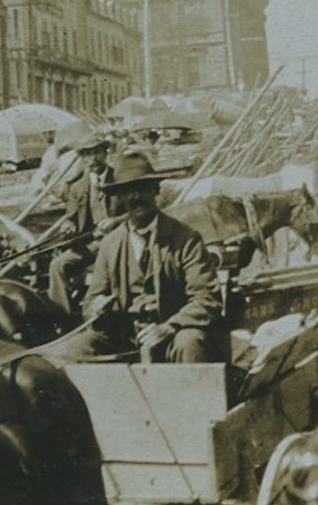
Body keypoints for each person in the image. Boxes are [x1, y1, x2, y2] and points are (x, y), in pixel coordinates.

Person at [83, 149, 226, 364]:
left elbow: (206, 298)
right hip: (126, 339)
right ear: (120, 197)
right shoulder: (110, 244)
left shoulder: (186, 239)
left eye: (142, 189)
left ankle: (191, 397)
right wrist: (96, 307)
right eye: (128, 191)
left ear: (155, 189)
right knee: (79, 348)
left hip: (172, 336)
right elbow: (90, 301)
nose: (135, 197)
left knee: (190, 341)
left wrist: (169, 327)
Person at [47, 138, 116, 314]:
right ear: (83, 158)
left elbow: (135, 213)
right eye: (87, 154)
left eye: (96, 152)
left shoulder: (119, 177)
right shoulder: (77, 186)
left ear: (105, 153)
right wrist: (68, 226)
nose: (93, 158)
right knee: (57, 265)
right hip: (91, 244)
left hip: (119, 240)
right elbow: (71, 217)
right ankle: (63, 317)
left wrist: (115, 221)